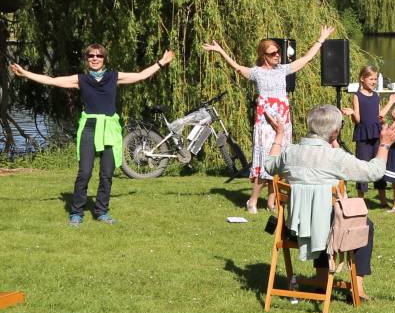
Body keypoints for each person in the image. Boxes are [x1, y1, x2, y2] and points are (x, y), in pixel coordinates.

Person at [9, 44, 175, 226]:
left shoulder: (114, 77)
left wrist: (162, 62)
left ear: (104, 59)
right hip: (89, 127)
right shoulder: (81, 79)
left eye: (99, 56)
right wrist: (26, 73)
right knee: (85, 172)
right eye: (91, 56)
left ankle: (101, 211)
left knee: (107, 174)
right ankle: (76, 212)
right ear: (86, 59)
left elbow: (141, 75)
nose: (95, 58)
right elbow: (52, 80)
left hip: (110, 128)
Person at [263, 104, 395, 301]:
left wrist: (279, 135)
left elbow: (269, 166)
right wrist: (384, 144)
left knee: (325, 215)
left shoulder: (290, 153)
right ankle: (358, 288)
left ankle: (322, 281)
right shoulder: (335, 157)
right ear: (335, 132)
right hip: (328, 232)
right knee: (361, 224)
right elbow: (374, 172)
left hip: (294, 230)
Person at [202, 25, 335, 214]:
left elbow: (307, 58)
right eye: (273, 53)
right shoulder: (257, 72)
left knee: (280, 161)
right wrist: (220, 50)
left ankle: (272, 202)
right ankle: (253, 201)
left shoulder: (283, 70)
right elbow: (237, 67)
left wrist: (321, 39)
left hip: (283, 121)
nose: (277, 56)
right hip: (265, 123)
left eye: (278, 52)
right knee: (264, 161)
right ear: (264, 55)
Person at [343, 65, 395, 205]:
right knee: (362, 166)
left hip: (376, 134)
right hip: (363, 135)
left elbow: (380, 116)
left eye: (375, 79)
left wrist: (391, 102)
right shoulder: (357, 96)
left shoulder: (376, 95)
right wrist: (352, 114)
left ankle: (383, 199)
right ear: (362, 79)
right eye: (371, 79)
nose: (374, 82)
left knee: (379, 165)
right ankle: (360, 200)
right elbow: (358, 120)